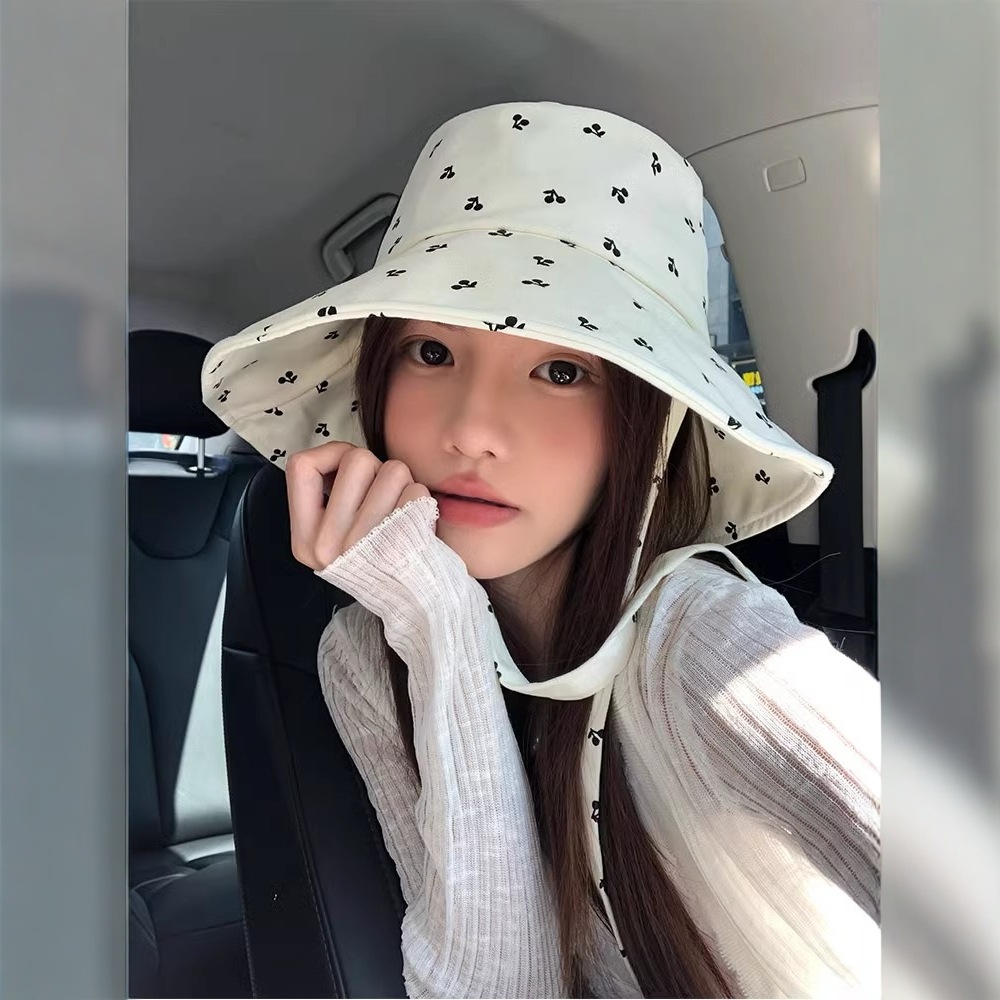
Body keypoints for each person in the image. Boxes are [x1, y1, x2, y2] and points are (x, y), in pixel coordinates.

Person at [201, 101, 879, 999]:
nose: (472, 431)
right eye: (430, 352)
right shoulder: (365, 651)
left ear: (644, 426)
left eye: (563, 371)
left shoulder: (705, 647)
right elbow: (494, 985)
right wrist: (433, 616)